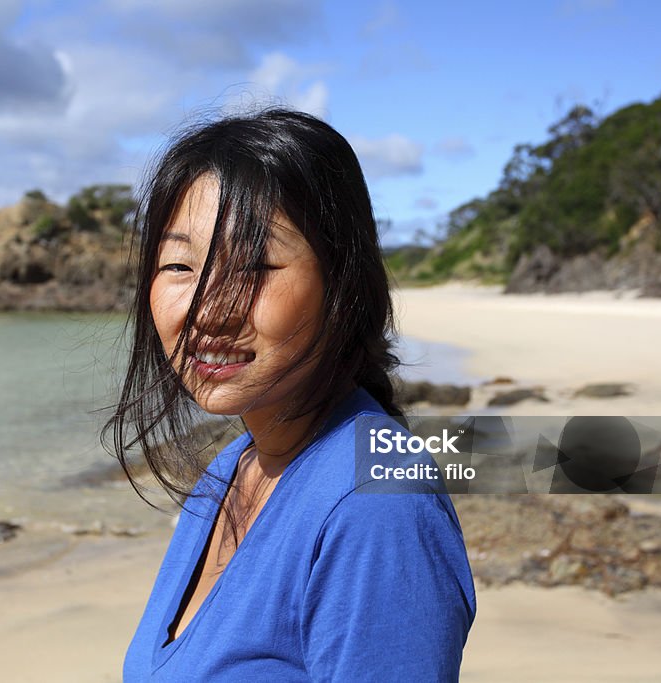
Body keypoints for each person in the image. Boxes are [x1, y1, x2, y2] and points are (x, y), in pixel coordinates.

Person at [102, 107, 476, 682]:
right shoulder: (232, 469)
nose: (207, 309)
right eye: (179, 264)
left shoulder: (379, 506)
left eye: (254, 265)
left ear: (342, 283)